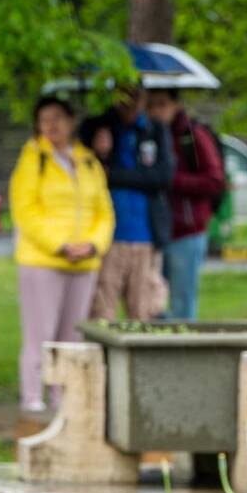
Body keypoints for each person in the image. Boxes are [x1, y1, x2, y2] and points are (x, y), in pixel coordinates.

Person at [9, 96, 115, 413]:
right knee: (40, 332)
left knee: (71, 334)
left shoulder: (87, 161)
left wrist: (93, 244)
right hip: (43, 260)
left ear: (71, 121)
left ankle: (63, 396)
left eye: (58, 118)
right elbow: (25, 210)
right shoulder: (33, 159)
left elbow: (104, 212)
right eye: (45, 120)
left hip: (83, 262)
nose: (52, 126)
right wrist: (59, 244)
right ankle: (33, 398)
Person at [82, 87, 174, 321]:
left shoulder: (155, 130)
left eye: (135, 95)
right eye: (123, 95)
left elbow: (162, 176)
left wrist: (114, 174)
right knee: (103, 310)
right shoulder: (97, 128)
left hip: (146, 235)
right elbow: (88, 175)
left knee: (145, 311)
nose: (129, 102)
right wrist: (101, 154)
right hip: (109, 238)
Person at [147, 88, 225, 320]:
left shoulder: (191, 134)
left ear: (175, 105)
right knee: (153, 302)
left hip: (186, 231)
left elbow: (215, 179)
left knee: (182, 302)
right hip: (155, 231)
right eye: (150, 106)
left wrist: (172, 179)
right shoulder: (148, 135)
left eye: (161, 104)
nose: (155, 111)